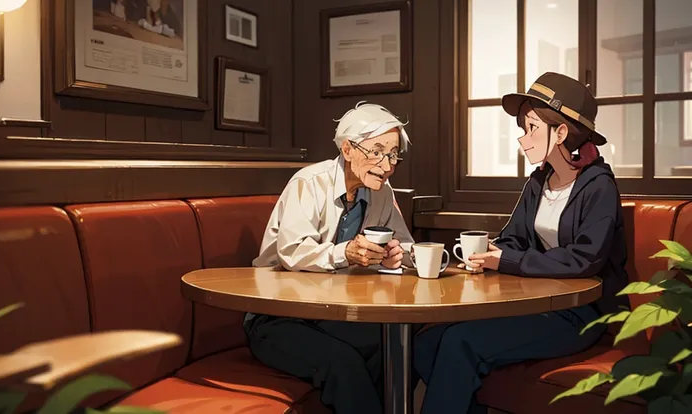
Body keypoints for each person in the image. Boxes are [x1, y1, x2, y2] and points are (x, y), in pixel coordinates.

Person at [413, 72, 631, 414]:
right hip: (535, 306)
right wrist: (489, 253)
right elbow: (514, 237)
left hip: (580, 313)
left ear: (560, 133)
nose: (523, 139)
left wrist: (509, 261)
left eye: (532, 128)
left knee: (460, 341)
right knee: (427, 342)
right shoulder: (539, 182)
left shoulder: (599, 186)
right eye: (523, 128)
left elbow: (585, 259)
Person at [246, 101, 416, 414]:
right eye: (377, 151)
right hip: (277, 317)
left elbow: (405, 245)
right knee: (344, 361)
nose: (388, 164)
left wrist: (397, 254)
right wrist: (345, 252)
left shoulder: (381, 191)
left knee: (396, 347)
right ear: (348, 149)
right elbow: (292, 251)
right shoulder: (309, 183)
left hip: (331, 314)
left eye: (393, 154)